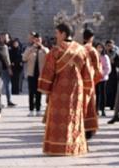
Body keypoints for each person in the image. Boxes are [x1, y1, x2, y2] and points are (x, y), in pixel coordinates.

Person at [38, 23, 92, 156]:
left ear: (63, 34)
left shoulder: (56, 51)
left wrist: (46, 88)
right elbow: (88, 74)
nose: (55, 36)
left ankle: (58, 147)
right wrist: (86, 91)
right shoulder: (81, 50)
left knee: (59, 119)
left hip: (59, 90)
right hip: (77, 90)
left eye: (57, 33)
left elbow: (48, 72)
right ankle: (74, 147)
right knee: (74, 117)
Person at [81, 28, 101, 140]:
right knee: (89, 106)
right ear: (91, 37)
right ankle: (88, 130)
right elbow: (98, 70)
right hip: (89, 82)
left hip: (78, 82)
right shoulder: (92, 50)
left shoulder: (78, 49)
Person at [24, 32, 46, 115]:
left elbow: (49, 56)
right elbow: (24, 58)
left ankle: (38, 109)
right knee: (31, 92)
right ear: (34, 40)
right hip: (31, 73)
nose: (38, 41)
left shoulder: (44, 49)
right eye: (36, 40)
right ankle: (31, 109)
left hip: (40, 74)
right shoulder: (29, 49)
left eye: (39, 40)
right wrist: (32, 48)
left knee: (38, 92)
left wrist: (42, 48)